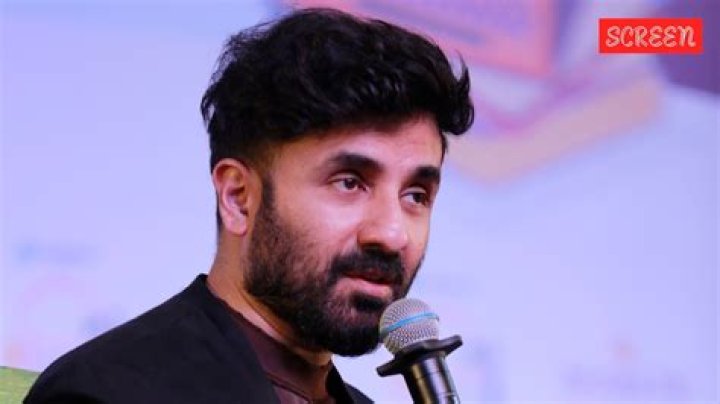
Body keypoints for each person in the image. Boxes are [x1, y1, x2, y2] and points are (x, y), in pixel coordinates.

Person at [24, 7, 473, 404]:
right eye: (349, 183)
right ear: (238, 197)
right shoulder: (106, 392)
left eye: (415, 195)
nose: (391, 233)